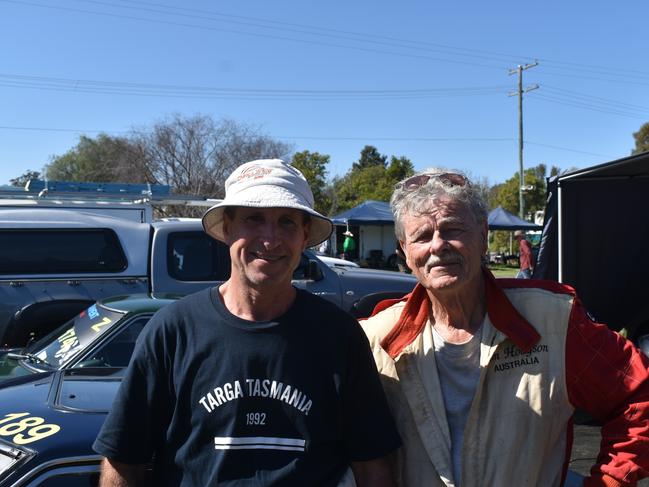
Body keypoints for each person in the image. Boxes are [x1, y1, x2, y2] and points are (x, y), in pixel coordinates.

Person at [94, 159, 401, 486]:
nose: (270, 239)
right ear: (227, 228)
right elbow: (124, 459)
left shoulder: (338, 336)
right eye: (254, 219)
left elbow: (373, 465)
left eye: (287, 222)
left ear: (304, 235)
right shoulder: (172, 331)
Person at [361, 167, 649, 487]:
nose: (438, 245)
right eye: (422, 236)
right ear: (404, 250)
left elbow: (639, 395)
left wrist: (610, 481)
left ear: (483, 236)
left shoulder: (550, 319)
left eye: (453, 229)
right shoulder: (375, 338)